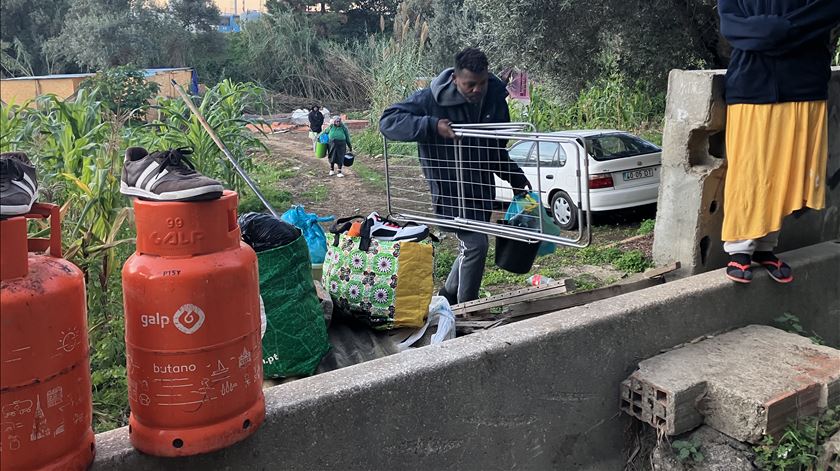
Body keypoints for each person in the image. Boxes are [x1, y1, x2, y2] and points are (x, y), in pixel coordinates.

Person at [379, 47, 530, 304]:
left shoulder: (493, 97)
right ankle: (467, 309)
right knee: (476, 246)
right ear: (455, 78)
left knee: (470, 248)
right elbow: (388, 122)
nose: (476, 89)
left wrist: (515, 177)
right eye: (469, 84)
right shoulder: (430, 99)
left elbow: (493, 148)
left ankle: (448, 296)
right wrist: (431, 125)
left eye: (481, 83)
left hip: (481, 189)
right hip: (449, 191)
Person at [717, 0, 840, 284]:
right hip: (751, 85)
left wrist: (773, 32)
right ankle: (740, 250)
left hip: (804, 85)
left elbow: (828, 13)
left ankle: (764, 247)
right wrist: (784, 32)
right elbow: (730, 26)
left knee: (785, 174)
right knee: (750, 171)